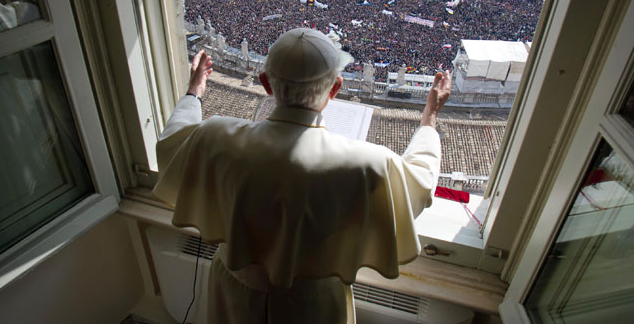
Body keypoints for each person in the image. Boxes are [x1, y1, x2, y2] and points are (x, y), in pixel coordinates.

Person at [153, 27, 451, 324]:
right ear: (335, 89)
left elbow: (172, 145)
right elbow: (420, 183)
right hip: (314, 308)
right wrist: (429, 116)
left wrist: (194, 92)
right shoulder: (369, 165)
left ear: (266, 84)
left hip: (235, 294)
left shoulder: (215, 136)